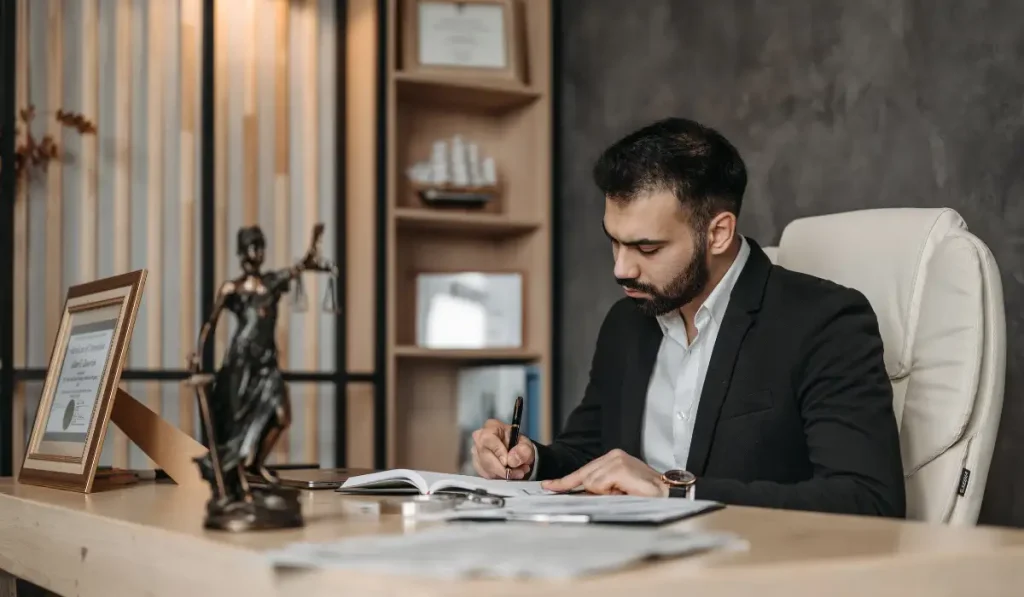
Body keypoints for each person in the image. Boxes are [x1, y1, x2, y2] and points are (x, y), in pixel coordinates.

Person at [471, 117, 906, 517]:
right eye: (614, 242)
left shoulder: (825, 322)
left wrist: (675, 495)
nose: (621, 269)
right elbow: (589, 451)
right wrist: (529, 461)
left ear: (718, 233)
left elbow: (868, 500)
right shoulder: (627, 322)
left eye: (647, 248)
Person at [188, 225, 335, 503]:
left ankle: (255, 463)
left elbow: (298, 268)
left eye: (260, 246)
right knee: (238, 425)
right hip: (241, 363)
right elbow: (210, 323)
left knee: (282, 416)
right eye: (252, 246)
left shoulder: (272, 282)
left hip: (266, 362)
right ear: (241, 252)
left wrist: (313, 248)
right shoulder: (232, 288)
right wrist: (197, 354)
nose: (257, 252)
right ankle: (240, 474)